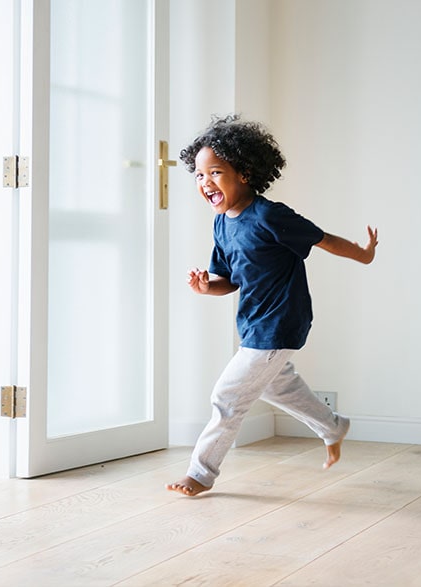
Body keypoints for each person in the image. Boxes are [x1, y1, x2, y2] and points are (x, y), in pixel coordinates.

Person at [167, 114, 378, 497]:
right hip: (253, 324)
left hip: (280, 322)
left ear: (245, 173)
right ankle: (332, 426)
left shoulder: (270, 215)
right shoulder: (222, 224)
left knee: (227, 397)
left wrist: (363, 255)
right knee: (278, 387)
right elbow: (228, 280)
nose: (205, 182)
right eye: (199, 176)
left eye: (215, 172)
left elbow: (322, 238)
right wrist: (205, 287)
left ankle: (200, 473)